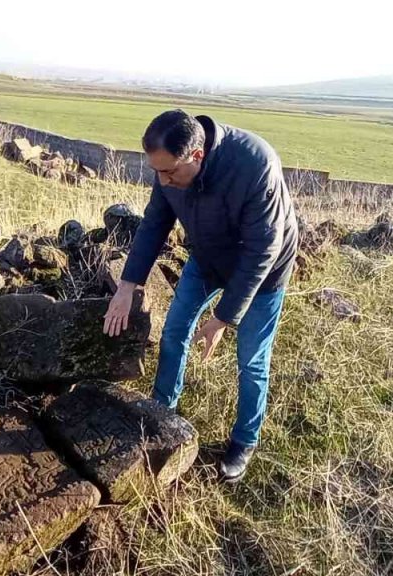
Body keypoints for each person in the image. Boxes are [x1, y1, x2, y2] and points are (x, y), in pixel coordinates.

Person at [103, 109, 299, 483]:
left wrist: (224, 318)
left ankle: (244, 442)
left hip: (263, 270)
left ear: (197, 156)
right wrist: (128, 286)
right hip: (207, 256)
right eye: (156, 172)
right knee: (175, 330)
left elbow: (263, 250)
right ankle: (163, 413)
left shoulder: (255, 163)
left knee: (251, 361)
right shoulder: (169, 169)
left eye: (170, 172)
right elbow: (154, 224)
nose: (162, 180)